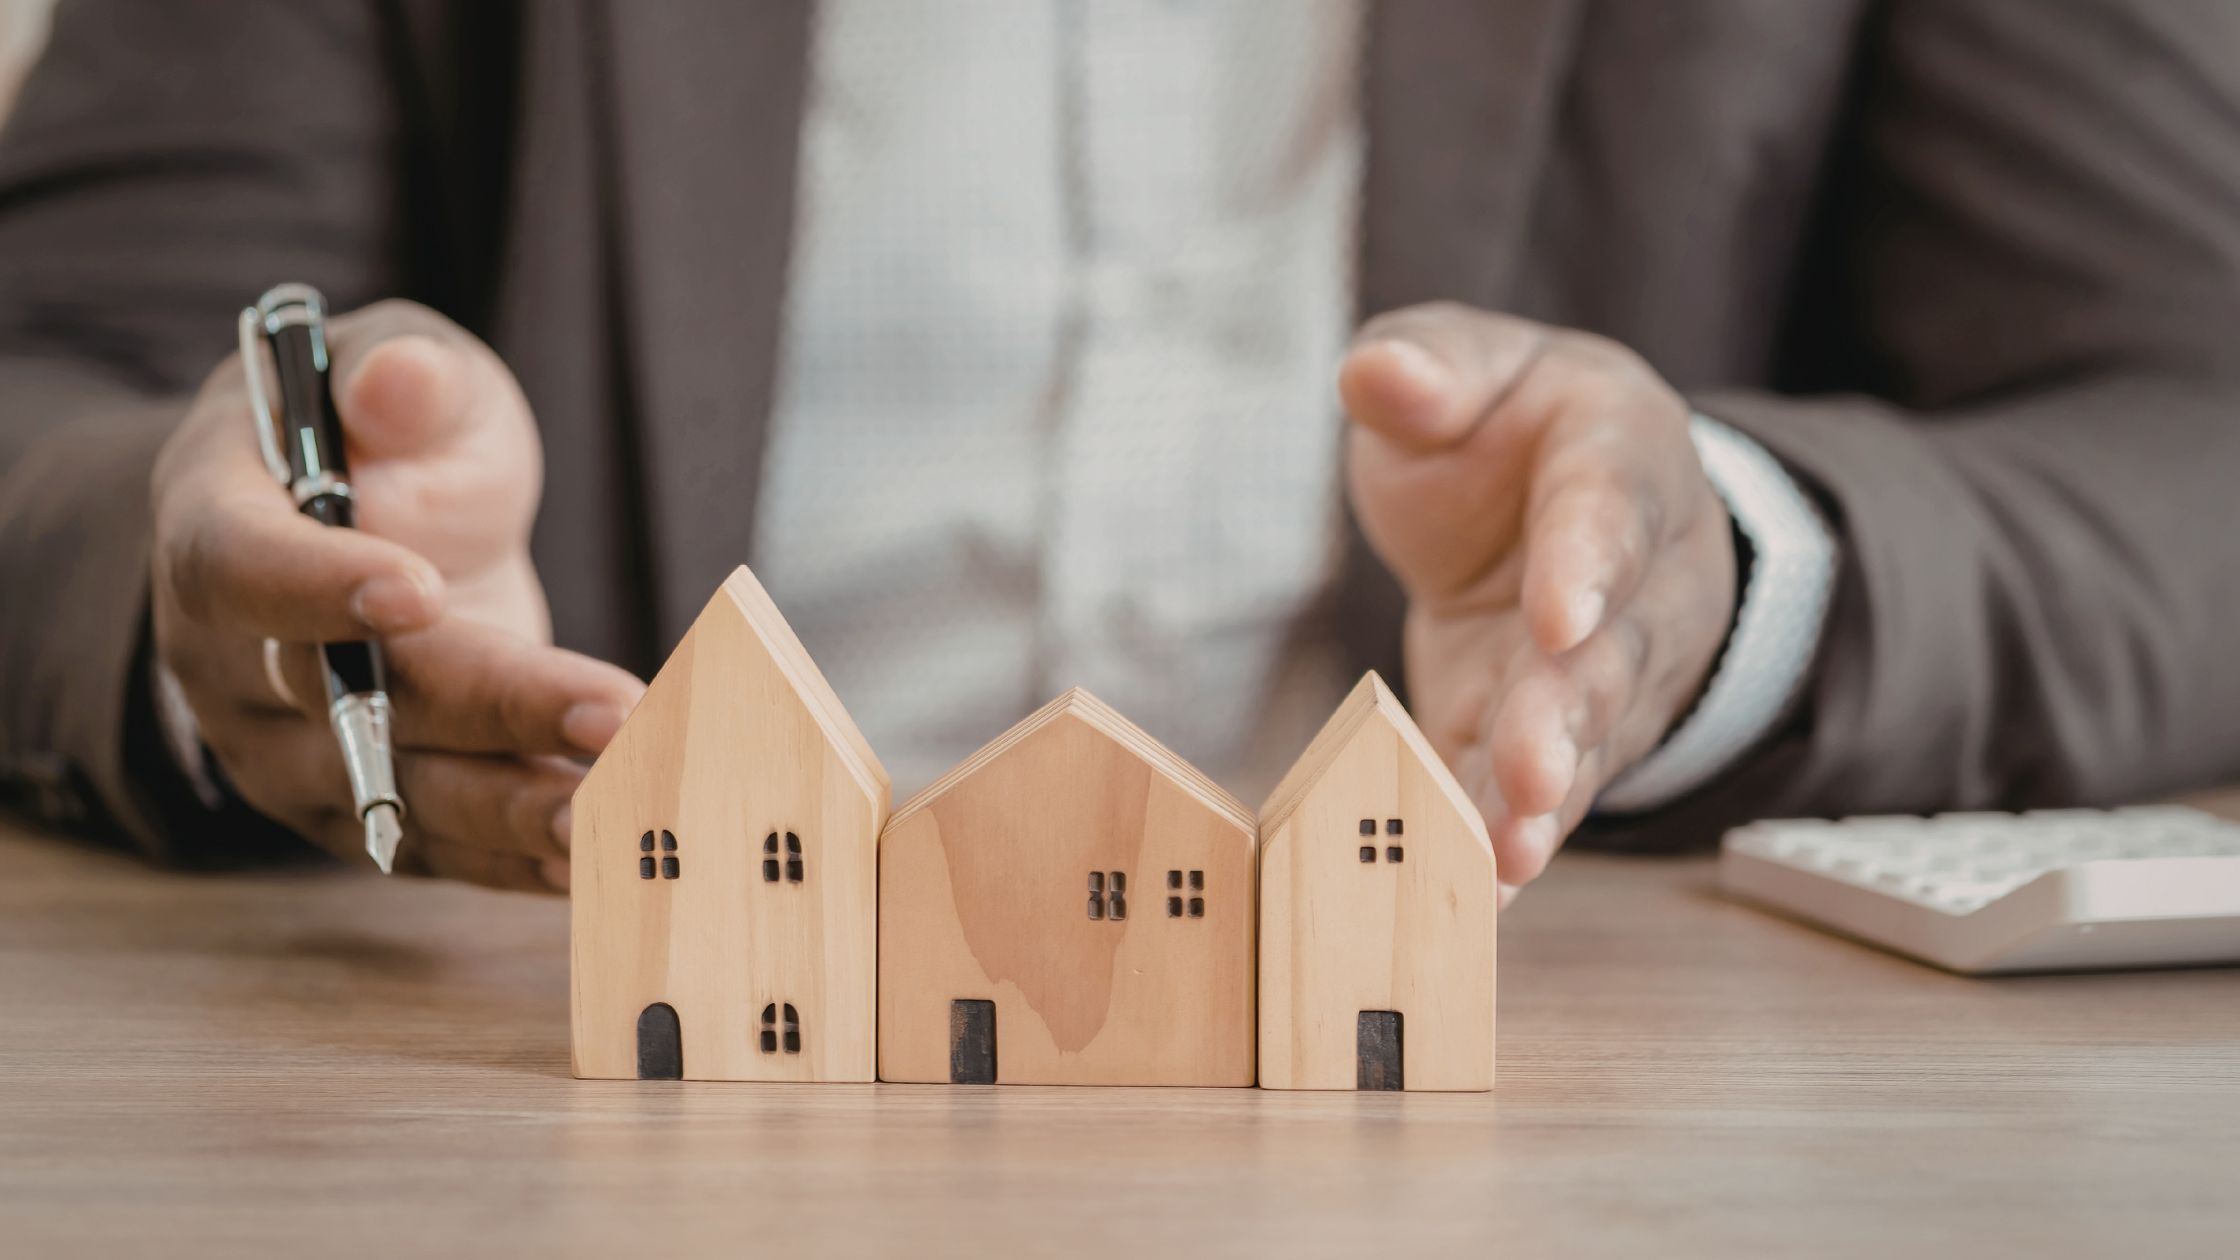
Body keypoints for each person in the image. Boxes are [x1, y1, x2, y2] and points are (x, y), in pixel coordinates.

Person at [1, 1, 2237, 901]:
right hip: (557, 1123)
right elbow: (62, 381)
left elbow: (2193, 431)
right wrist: (257, 588)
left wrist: (1712, 579)